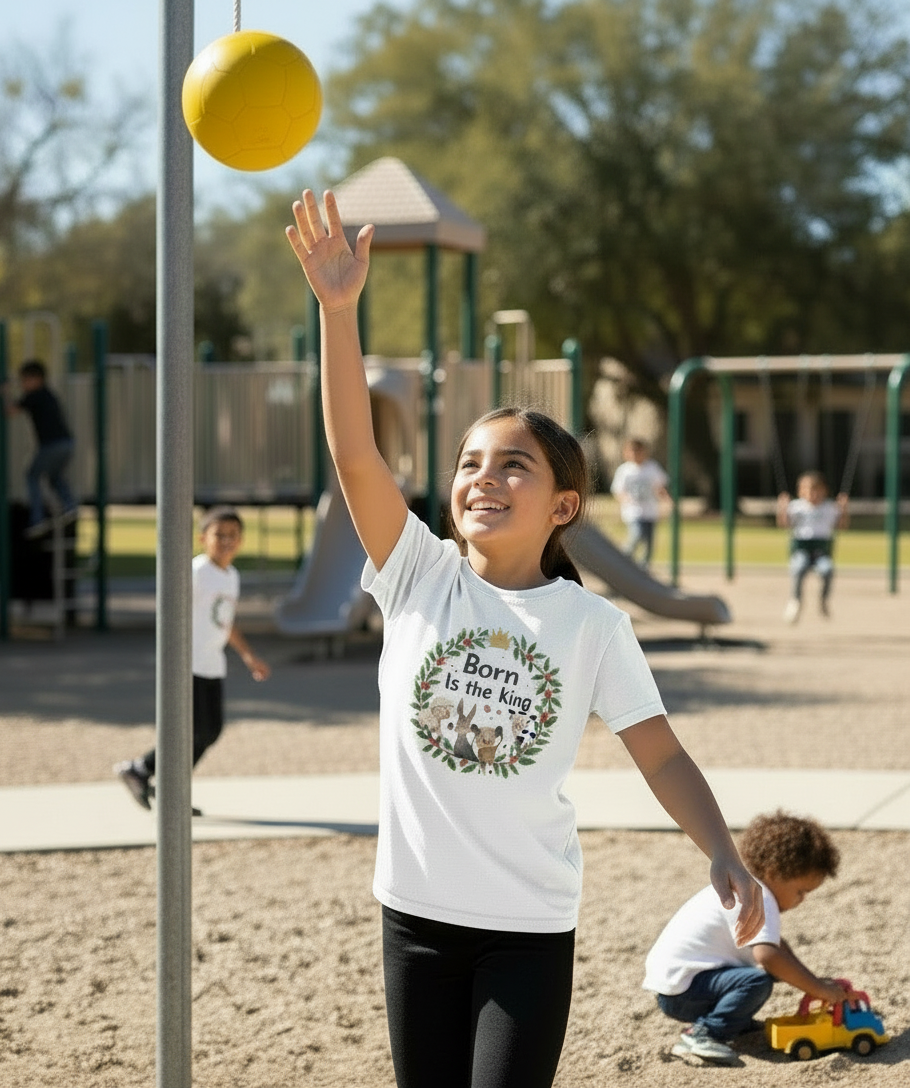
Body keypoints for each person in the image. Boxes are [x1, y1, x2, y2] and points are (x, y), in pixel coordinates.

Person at [285, 189, 764, 1088]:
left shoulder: (592, 625)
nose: (485, 478)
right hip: (413, 919)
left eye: (515, 464)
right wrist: (337, 313)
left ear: (563, 505)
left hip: (528, 928)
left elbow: (661, 756)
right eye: (470, 463)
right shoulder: (418, 573)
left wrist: (721, 849)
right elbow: (355, 455)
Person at [643, 810, 853, 1067]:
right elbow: (769, 956)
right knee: (758, 981)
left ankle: (733, 1022)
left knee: (763, 974)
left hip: (678, 985)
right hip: (683, 992)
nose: (802, 901)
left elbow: (778, 948)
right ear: (775, 872)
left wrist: (814, 980)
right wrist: (818, 989)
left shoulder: (745, 887)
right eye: (801, 892)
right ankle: (703, 1034)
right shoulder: (760, 895)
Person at [114, 506, 270, 814]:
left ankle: (161, 783)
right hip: (187, 664)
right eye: (219, 534)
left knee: (210, 730)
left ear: (240, 541)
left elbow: (225, 621)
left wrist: (249, 656)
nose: (226, 541)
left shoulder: (231, 577)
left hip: (211, 663)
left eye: (232, 536)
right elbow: (171, 610)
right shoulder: (197, 572)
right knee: (190, 730)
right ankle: (143, 771)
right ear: (203, 538)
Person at [10, 359, 77, 537]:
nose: (22, 385)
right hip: (67, 444)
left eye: (24, 380)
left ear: (37, 379)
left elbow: (11, 411)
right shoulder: (48, 394)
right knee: (54, 477)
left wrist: (2, 393)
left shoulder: (34, 396)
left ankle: (37, 518)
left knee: (32, 475)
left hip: (52, 445)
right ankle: (70, 506)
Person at [776, 471, 849, 624]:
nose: (812, 494)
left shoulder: (829, 508)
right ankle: (795, 601)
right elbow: (784, 525)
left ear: (824, 491)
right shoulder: (796, 507)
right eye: (807, 490)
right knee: (798, 568)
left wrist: (843, 510)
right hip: (801, 549)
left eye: (816, 490)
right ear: (800, 492)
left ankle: (823, 600)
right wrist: (782, 508)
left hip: (821, 551)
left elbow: (841, 527)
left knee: (827, 570)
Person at [610, 438, 669, 569]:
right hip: (633, 511)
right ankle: (623, 559)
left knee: (649, 542)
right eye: (632, 452)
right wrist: (625, 500)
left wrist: (667, 500)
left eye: (638, 452)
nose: (635, 455)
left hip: (650, 511)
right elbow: (618, 490)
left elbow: (659, 487)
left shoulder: (652, 468)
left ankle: (644, 568)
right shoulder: (624, 470)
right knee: (637, 534)